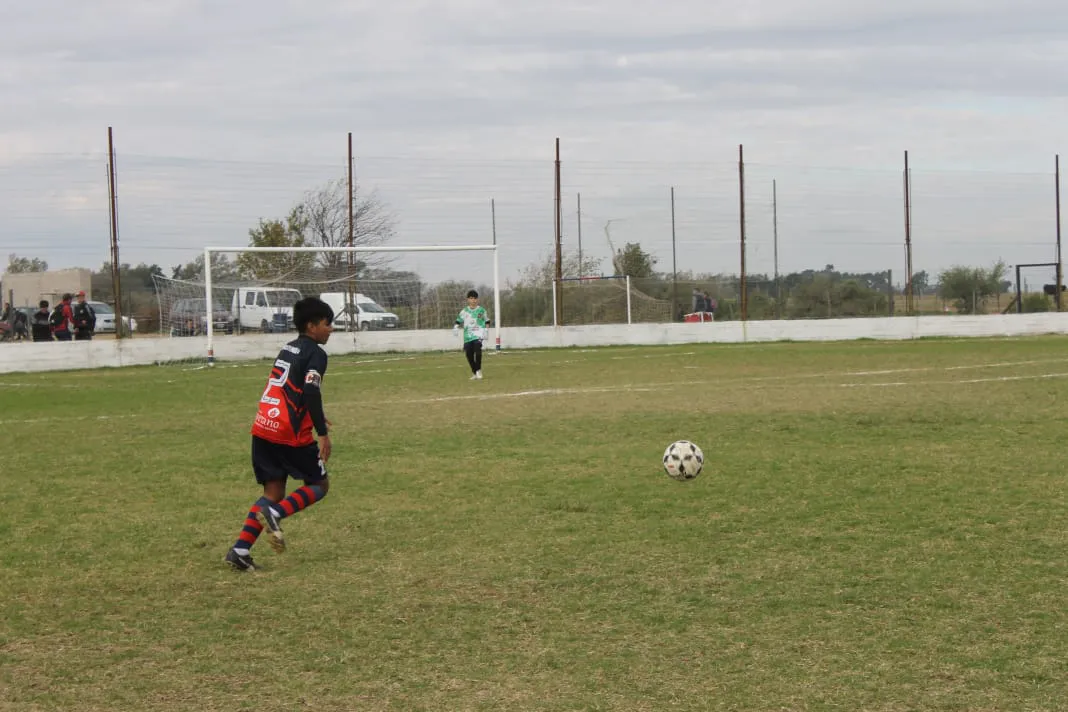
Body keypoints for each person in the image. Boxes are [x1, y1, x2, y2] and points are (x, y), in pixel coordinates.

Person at [225, 297, 335, 572]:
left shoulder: (288, 347)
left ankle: (240, 550)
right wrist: (322, 433)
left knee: (273, 491)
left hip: (264, 424)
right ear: (311, 326)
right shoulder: (316, 353)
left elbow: (291, 387)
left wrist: (315, 415)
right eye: (327, 323)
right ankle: (275, 514)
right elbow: (310, 390)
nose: (331, 329)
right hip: (288, 431)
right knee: (319, 485)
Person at [454, 289, 491, 380]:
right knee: (469, 354)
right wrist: (455, 327)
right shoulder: (464, 311)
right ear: (468, 299)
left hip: (478, 334)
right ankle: (475, 373)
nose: (473, 300)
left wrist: (486, 330)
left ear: (477, 299)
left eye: (475, 298)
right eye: (471, 298)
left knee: (477, 348)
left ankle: (478, 370)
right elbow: (458, 320)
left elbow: (487, 321)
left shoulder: (481, 310)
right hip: (468, 335)